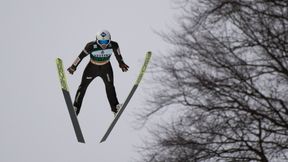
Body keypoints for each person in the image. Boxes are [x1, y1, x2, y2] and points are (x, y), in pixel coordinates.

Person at [67, 30, 129, 116]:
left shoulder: (114, 45)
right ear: (96, 40)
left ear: (110, 40)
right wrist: (73, 66)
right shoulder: (90, 46)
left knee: (110, 86)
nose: (103, 44)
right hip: (92, 68)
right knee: (82, 87)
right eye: (101, 42)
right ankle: (75, 108)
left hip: (106, 67)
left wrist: (121, 63)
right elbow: (80, 56)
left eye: (106, 41)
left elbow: (118, 55)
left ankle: (115, 108)